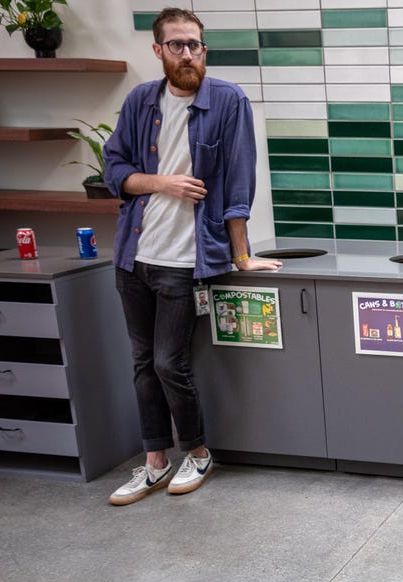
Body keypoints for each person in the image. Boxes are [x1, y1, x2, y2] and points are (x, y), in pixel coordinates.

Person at [103, 7, 282, 506]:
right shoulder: (141, 101)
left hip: (186, 260)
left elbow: (239, 183)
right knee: (142, 363)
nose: (188, 54)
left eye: (195, 45)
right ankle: (154, 461)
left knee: (168, 363)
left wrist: (242, 255)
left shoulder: (227, 101)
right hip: (134, 256)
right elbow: (113, 168)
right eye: (177, 45)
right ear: (157, 50)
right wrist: (162, 182)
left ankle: (198, 451)